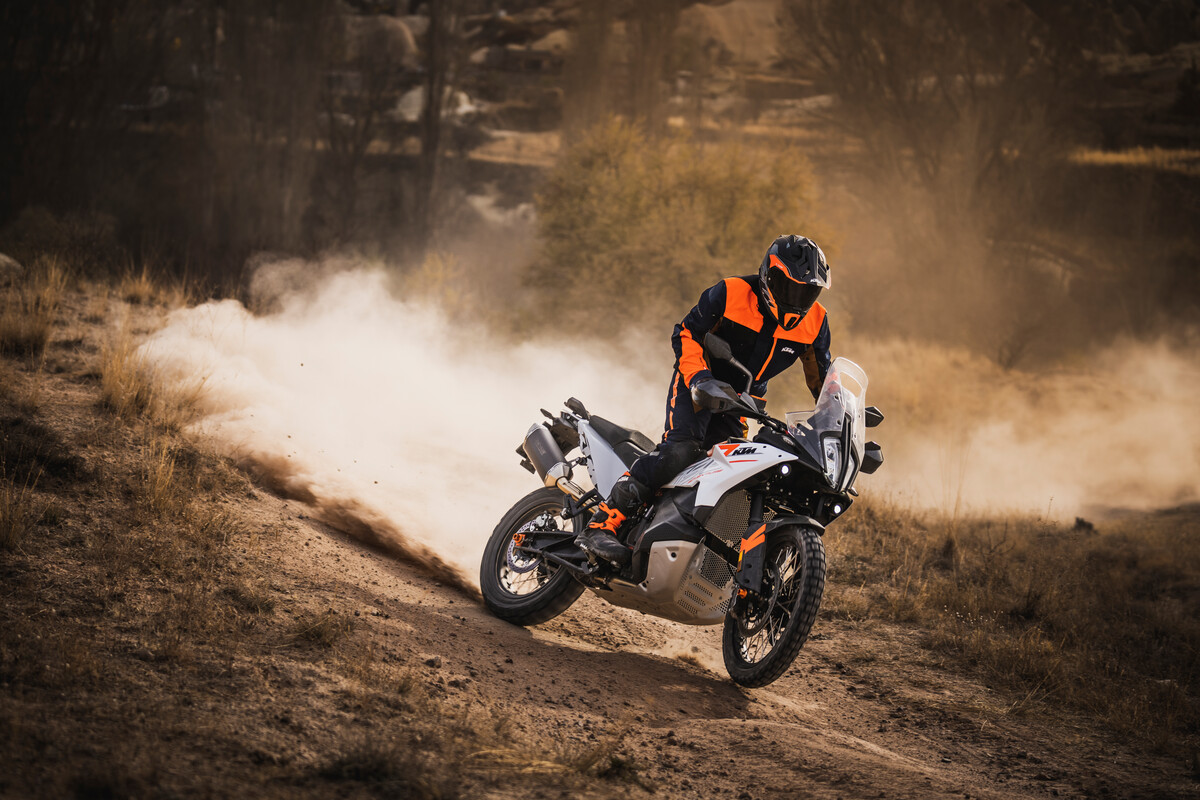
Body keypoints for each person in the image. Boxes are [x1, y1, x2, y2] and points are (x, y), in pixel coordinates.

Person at [575, 234, 833, 565]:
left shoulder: (816, 322)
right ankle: (601, 524)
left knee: (731, 474)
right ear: (769, 275)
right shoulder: (731, 293)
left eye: (808, 290)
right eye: (790, 286)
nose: (799, 298)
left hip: (742, 402)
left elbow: (822, 382)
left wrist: (838, 420)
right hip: (698, 384)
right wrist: (699, 379)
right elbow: (686, 333)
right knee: (681, 450)